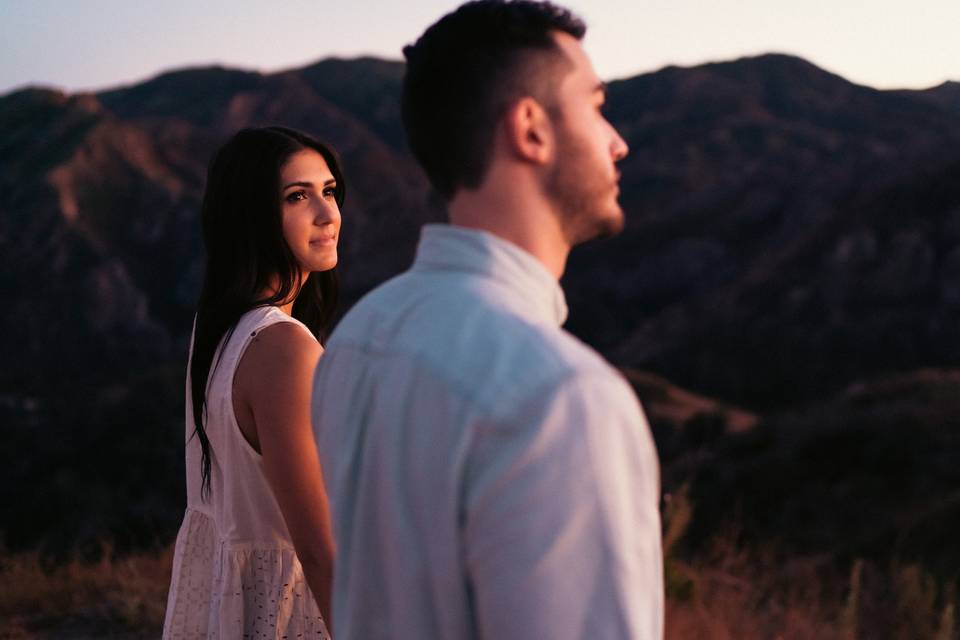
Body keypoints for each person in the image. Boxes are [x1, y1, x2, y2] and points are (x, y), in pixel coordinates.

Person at [311, 1, 663, 638]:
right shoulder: (561, 398)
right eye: (596, 105)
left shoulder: (360, 338)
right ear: (531, 129)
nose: (619, 142)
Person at [163, 126, 342, 639]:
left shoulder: (220, 327)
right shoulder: (284, 349)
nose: (328, 214)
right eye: (297, 197)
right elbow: (321, 549)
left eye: (328, 191)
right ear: (252, 216)